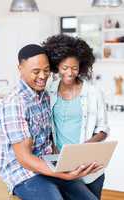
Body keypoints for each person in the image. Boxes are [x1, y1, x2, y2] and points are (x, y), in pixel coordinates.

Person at [0, 44, 101, 200]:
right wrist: (64, 175)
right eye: (36, 72)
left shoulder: (45, 96)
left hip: (48, 165)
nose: (43, 76)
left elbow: (49, 140)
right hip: (23, 173)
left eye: (46, 71)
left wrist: (68, 163)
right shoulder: (15, 103)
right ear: (20, 68)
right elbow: (25, 159)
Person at [42, 34, 109, 200]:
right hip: (62, 164)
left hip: (89, 165)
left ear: (82, 67)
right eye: (65, 68)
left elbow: (103, 129)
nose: (70, 73)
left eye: (75, 68)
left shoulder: (93, 92)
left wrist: (83, 149)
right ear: (57, 66)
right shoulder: (49, 90)